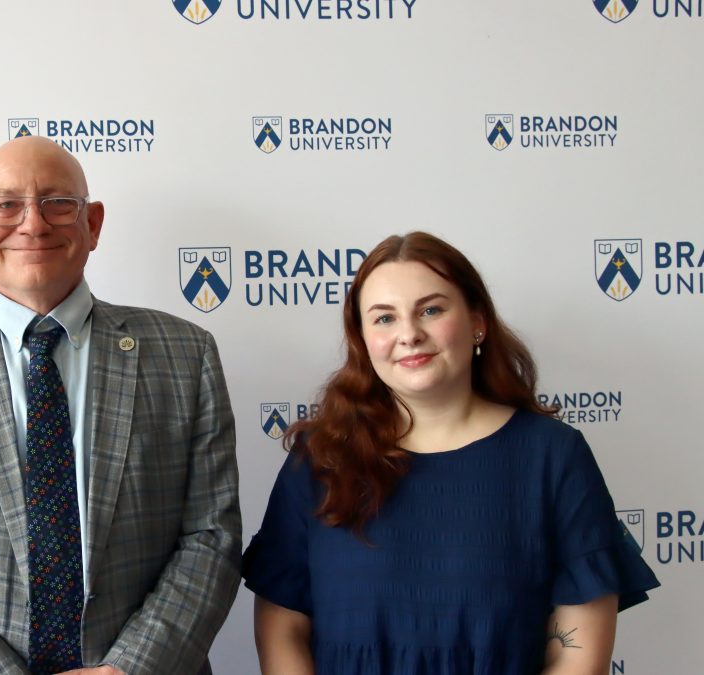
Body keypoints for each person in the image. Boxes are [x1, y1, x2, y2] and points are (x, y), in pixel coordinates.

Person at [0, 136, 242, 675]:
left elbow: (211, 535)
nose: (33, 224)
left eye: (58, 203)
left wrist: (129, 668)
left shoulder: (184, 354)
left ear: (94, 224)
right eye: (6, 204)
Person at [243, 232, 659, 675]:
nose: (409, 334)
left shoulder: (553, 456)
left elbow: (577, 651)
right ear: (362, 339)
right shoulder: (320, 458)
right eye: (384, 318)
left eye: (431, 310)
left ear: (477, 321)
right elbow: (282, 625)